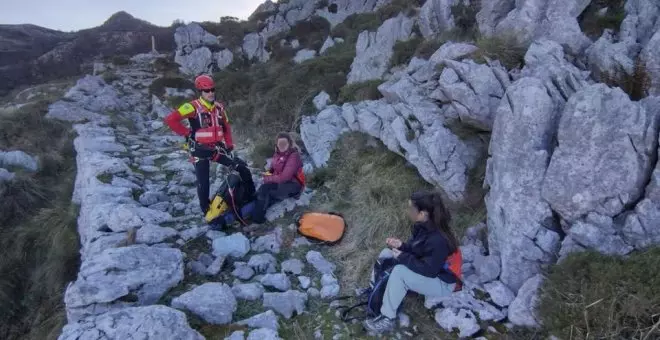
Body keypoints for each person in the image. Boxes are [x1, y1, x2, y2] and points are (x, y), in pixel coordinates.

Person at [363, 190, 460, 334]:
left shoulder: (438, 240)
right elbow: (418, 250)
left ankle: (387, 318)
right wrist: (401, 245)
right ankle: (374, 290)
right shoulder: (422, 226)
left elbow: (429, 270)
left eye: (411, 208)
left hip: (443, 282)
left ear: (423, 213)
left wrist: (403, 257)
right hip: (430, 270)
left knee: (399, 272)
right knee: (386, 253)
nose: (408, 211)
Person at [163, 74, 255, 216]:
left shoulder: (219, 108)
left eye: (212, 89)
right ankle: (207, 211)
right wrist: (187, 133)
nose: (211, 93)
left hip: (216, 148)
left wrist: (229, 144)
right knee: (203, 182)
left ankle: (249, 197)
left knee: (240, 166)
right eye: (207, 91)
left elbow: (226, 127)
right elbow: (171, 120)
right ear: (200, 91)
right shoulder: (191, 107)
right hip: (199, 150)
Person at [251, 132, 305, 224]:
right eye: (280, 144)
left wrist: (267, 179)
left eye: (285, 143)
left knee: (265, 189)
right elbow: (272, 169)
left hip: (293, 185)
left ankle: (257, 220)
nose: (282, 146)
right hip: (280, 183)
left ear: (289, 144)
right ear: (277, 144)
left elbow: (285, 177)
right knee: (260, 191)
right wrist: (266, 174)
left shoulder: (294, 156)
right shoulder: (277, 154)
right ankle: (251, 212)